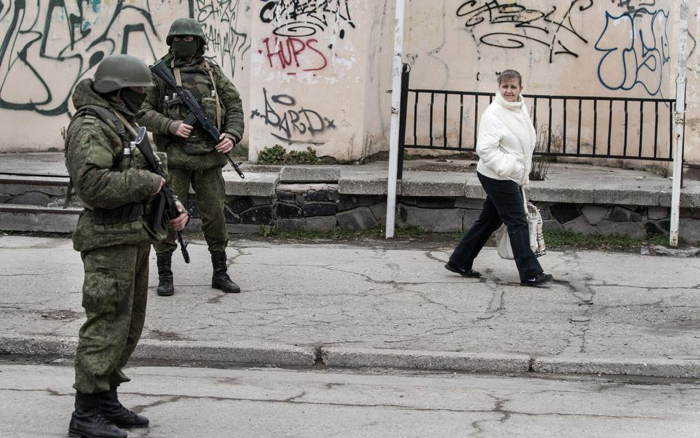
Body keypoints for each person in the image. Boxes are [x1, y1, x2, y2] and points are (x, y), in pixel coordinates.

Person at [64, 55, 189, 437]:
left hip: (133, 236)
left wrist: (171, 206)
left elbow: (152, 172)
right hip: (107, 240)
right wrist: (146, 185)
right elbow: (93, 185)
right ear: (117, 90)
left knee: (127, 326)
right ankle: (85, 414)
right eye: (139, 90)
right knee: (105, 324)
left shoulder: (123, 121)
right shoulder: (90, 125)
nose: (144, 96)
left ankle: (106, 399)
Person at [139, 17, 244, 297]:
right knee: (169, 216)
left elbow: (234, 105)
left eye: (189, 39)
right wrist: (170, 125)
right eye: (178, 39)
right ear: (171, 42)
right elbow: (142, 111)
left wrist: (231, 135)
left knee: (215, 216)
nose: (183, 44)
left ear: (199, 43)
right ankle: (165, 274)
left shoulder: (213, 73)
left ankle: (220, 272)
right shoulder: (158, 74)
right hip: (174, 161)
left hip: (209, 161)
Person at [445, 69, 553, 287]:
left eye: (513, 86)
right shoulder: (494, 113)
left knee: (489, 221)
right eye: (505, 86)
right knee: (517, 221)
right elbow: (484, 149)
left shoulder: (519, 109)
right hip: (498, 176)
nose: (509, 91)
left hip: (508, 175)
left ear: (521, 88)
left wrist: (517, 170)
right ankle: (530, 272)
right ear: (499, 87)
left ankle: (460, 261)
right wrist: (509, 167)